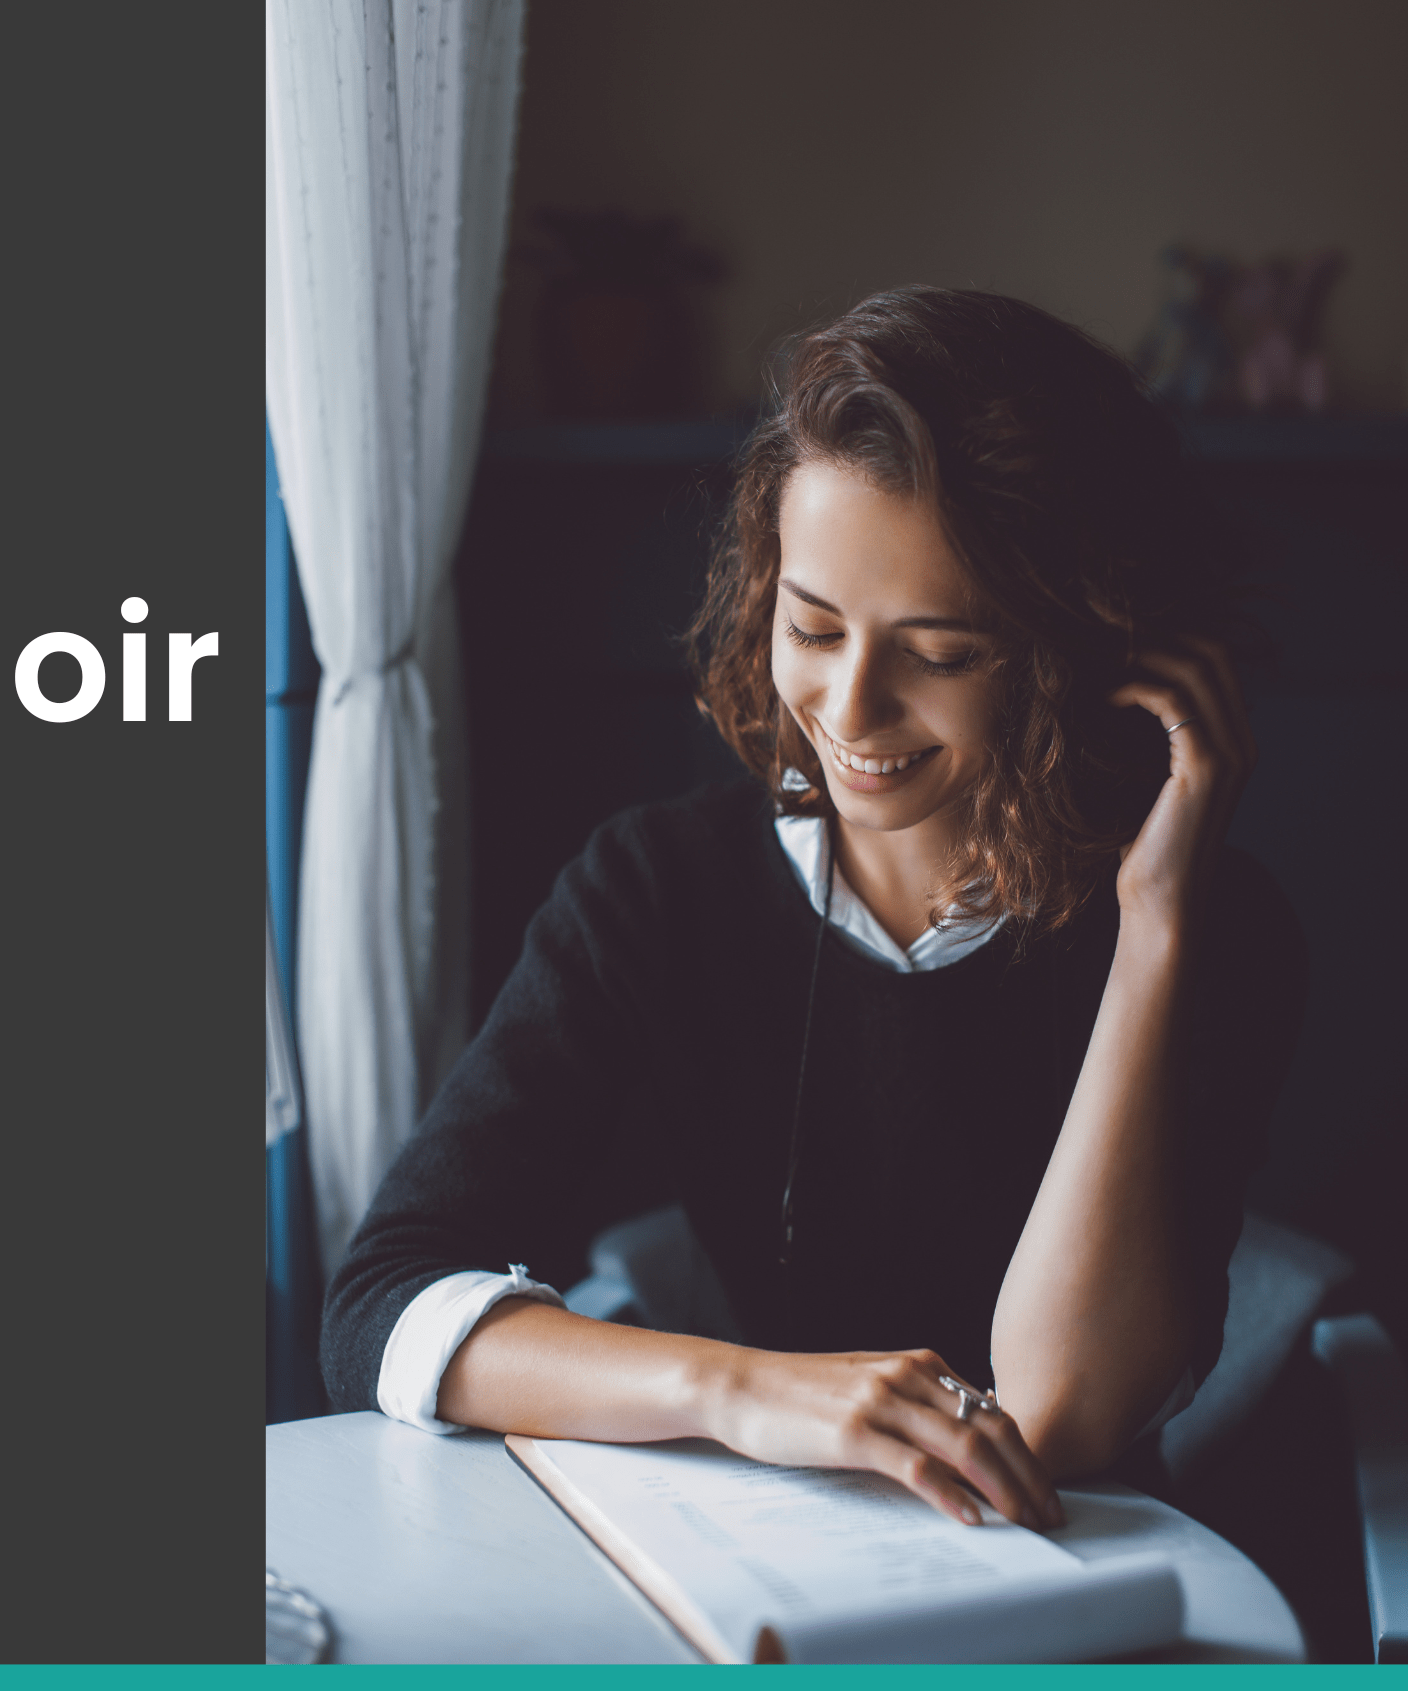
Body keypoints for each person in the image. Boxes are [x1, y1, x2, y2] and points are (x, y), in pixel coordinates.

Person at [321, 287, 1306, 1534]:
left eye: (941, 653)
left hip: (1088, 1576)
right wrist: (745, 1392)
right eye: (813, 625)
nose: (849, 706)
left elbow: (1055, 1416)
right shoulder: (650, 889)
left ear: (1087, 650)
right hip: (763, 1549)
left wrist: (1156, 925)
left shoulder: (1218, 936)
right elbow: (377, 1307)